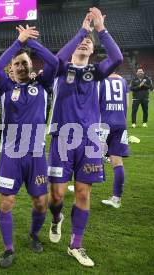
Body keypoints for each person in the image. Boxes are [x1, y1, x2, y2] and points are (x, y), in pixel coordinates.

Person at [47, 8, 123, 267]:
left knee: (82, 193)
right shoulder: (60, 69)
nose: (85, 42)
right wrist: (83, 30)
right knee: (56, 195)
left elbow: (117, 56)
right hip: (61, 139)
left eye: (88, 43)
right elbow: (57, 57)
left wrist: (100, 29)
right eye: (82, 41)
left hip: (90, 141)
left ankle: (76, 245)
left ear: (92, 52)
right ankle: (56, 218)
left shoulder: (97, 72)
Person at [0, 25, 58, 268]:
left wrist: (31, 45)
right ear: (12, 69)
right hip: (11, 156)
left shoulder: (42, 84)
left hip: (36, 155)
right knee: (6, 203)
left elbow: (54, 62)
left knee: (40, 203)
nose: (20, 66)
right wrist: (18, 43)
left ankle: (33, 235)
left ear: (31, 65)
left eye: (24, 63)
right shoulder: (5, 87)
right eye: (17, 63)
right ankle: (8, 249)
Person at [100, 73, 129, 208]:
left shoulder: (101, 80)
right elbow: (127, 103)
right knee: (117, 161)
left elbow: (94, 102)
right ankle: (116, 199)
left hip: (103, 123)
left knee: (90, 156)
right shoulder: (123, 81)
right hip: (121, 123)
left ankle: (80, 188)